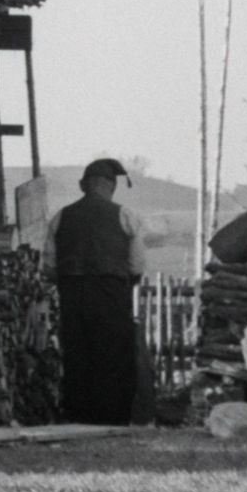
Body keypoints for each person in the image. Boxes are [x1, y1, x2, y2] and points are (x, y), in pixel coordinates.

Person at [51, 156, 143, 423]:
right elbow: (137, 264)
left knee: (77, 351)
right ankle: (113, 416)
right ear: (111, 186)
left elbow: (48, 264)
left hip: (73, 292)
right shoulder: (125, 215)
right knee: (113, 352)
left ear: (83, 185)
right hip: (111, 292)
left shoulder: (61, 217)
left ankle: (79, 416)